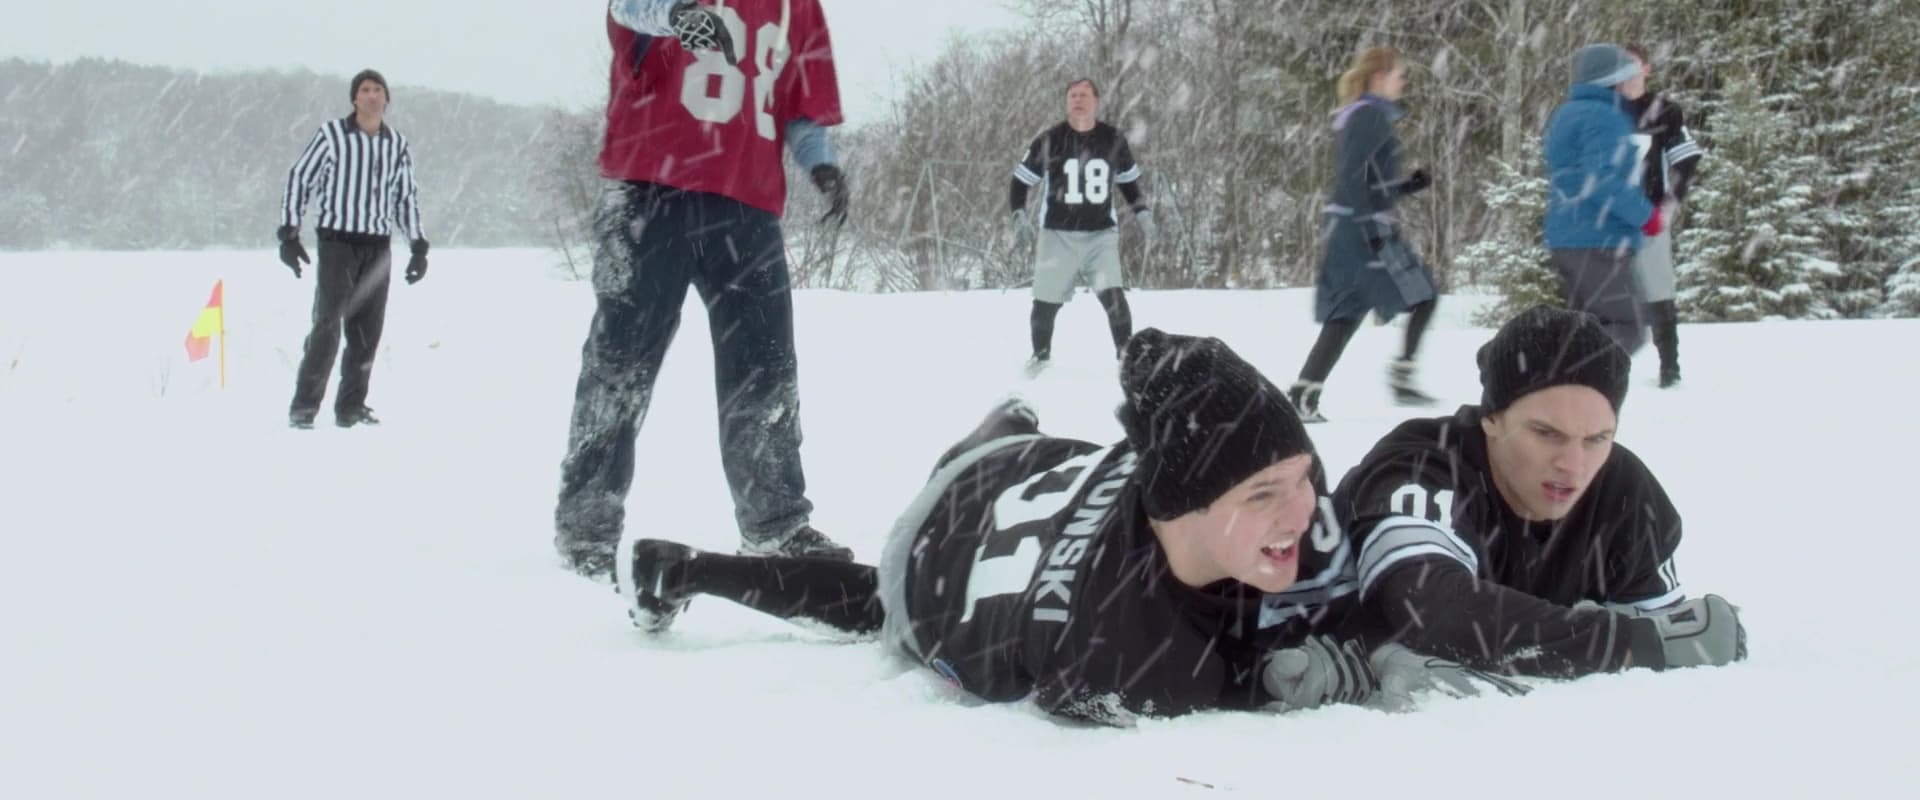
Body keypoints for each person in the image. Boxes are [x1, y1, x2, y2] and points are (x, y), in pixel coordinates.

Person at [617, 328, 1398, 725]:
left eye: (1305, 478)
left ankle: (688, 568)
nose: (1303, 510)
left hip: (1018, 475)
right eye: (1266, 494)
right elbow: (1189, 674)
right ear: (1187, 503)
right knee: (876, 603)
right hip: (936, 558)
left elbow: (1183, 400)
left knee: (1031, 461)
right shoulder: (1130, 661)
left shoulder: (1175, 467)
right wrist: (1267, 680)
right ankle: (697, 569)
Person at [553, 0, 858, 580]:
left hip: (746, 202)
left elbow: (796, 103)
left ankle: (774, 524)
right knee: (621, 363)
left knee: (765, 369)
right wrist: (678, 14)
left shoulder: (801, 8)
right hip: (650, 189)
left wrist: (822, 163)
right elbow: (628, 8)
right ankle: (587, 524)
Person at [1330, 306, 1746, 679]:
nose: (1574, 465)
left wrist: (1642, 639)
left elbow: (1670, 632)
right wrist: (1628, 644)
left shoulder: (1625, 492)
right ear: (1490, 418)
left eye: (1598, 438)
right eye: (1546, 433)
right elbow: (1428, 604)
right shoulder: (1422, 466)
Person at [1288, 47, 1440, 424]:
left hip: (1352, 226)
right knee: (1424, 295)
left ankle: (1303, 393)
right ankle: (1402, 378)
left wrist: (1407, 186)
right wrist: (1370, 230)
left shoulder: (1364, 116)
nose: (1403, 82)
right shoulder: (1369, 116)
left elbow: (1370, 181)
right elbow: (1354, 177)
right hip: (1364, 229)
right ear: (1379, 77)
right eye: (1399, 74)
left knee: (1347, 313)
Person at [277, 68, 429, 430]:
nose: (372, 95)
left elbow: (405, 196)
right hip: (338, 243)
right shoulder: (332, 136)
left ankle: (350, 407)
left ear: (387, 98)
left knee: (366, 333)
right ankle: (303, 408)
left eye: (378, 89)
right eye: (365, 89)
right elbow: (301, 178)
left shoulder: (397, 145)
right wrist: (288, 233)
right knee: (327, 327)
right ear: (354, 98)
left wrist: (418, 245)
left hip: (377, 247)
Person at [1008, 78, 1153, 376]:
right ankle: (1040, 357)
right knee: (1045, 301)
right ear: (1066, 101)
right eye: (1072, 95)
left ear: (1096, 101)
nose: (1078, 99)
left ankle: (1126, 359)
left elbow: (1128, 184)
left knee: (1113, 296)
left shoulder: (1112, 138)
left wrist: (1143, 215)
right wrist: (1018, 214)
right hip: (1057, 234)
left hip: (1100, 234)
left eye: (1084, 94)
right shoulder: (1051, 139)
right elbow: (1020, 181)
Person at [1544, 44, 1661, 355]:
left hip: (1570, 237)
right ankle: (1571, 391)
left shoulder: (1568, 112)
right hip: (1597, 238)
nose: (1637, 81)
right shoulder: (1605, 117)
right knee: (1627, 328)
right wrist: (1645, 216)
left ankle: (1565, 391)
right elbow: (1601, 180)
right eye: (1630, 75)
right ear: (1614, 80)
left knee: (1584, 331)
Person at [1621, 45, 1703, 388]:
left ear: (1647, 69)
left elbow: (1686, 160)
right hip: (1604, 220)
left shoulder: (1665, 111)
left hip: (1648, 215)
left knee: (1658, 292)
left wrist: (1668, 205)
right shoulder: (1598, 112)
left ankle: (1670, 368)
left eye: (1632, 65)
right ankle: (1605, 369)